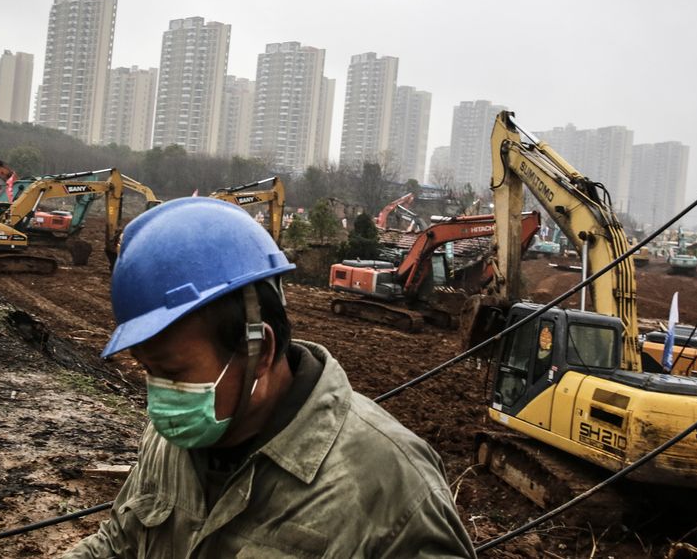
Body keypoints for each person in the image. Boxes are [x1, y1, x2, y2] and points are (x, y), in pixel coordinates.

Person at [65, 197, 475, 558]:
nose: (159, 397)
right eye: (147, 370)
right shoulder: (171, 439)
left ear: (260, 351)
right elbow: (120, 542)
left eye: (172, 373)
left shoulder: (391, 482)